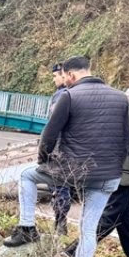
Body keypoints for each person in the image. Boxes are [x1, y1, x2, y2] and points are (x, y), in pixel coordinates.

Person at [2, 56, 129, 257]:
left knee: (27, 176)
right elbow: (126, 140)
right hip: (108, 175)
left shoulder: (69, 96)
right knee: (88, 229)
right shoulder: (120, 98)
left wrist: (44, 161)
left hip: (73, 171)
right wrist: (115, 168)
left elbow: (49, 136)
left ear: (70, 75)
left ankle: (27, 228)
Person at [63, 85, 129, 257]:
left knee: (124, 216)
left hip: (102, 168)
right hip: (124, 174)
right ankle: (73, 251)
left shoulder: (109, 111)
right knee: (110, 216)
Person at [47, 63, 77, 235]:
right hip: (69, 149)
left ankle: (60, 224)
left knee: (60, 187)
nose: (55, 79)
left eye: (55, 76)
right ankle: (60, 222)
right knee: (63, 186)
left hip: (60, 149)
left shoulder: (62, 96)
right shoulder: (70, 94)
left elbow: (54, 125)